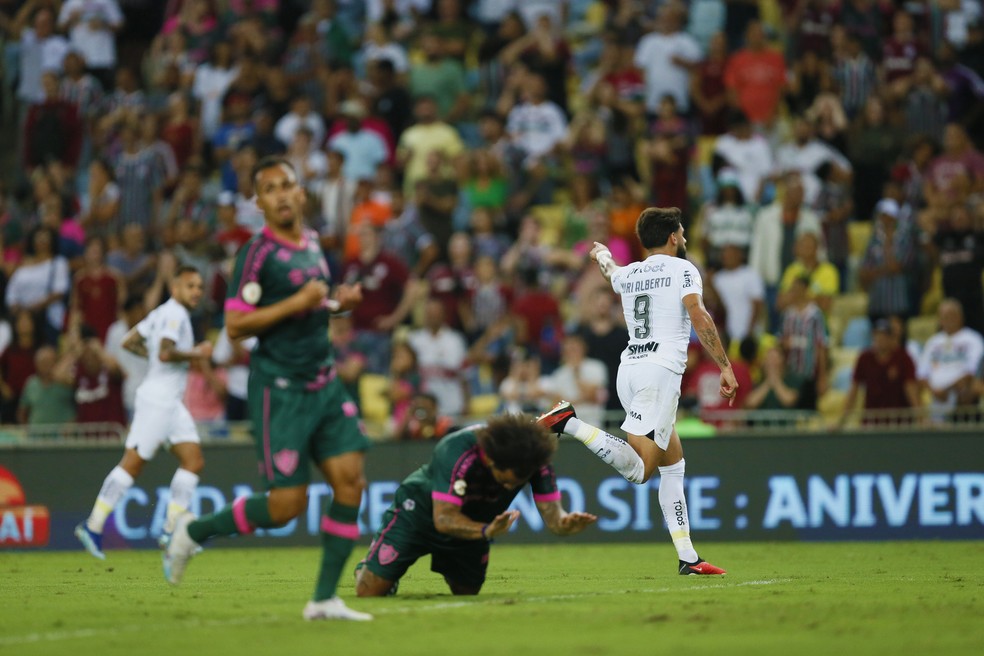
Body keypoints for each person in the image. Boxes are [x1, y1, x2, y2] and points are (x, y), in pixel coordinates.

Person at [163, 157, 372, 622]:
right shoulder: (256, 254)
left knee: (351, 483)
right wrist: (301, 300)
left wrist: (338, 304)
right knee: (285, 507)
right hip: (280, 390)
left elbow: (312, 304)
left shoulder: (313, 243)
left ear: (300, 193)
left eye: (287, 185)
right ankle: (193, 533)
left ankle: (323, 599)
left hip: (324, 381)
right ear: (258, 202)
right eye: (269, 188)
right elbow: (235, 325)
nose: (280, 194)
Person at [537, 207, 734, 576]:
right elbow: (699, 315)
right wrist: (725, 365)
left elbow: (610, 271)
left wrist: (601, 254)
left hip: (630, 371)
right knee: (641, 471)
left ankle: (688, 557)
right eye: (683, 232)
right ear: (674, 236)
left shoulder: (629, 274)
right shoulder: (684, 269)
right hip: (658, 374)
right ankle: (569, 423)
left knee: (673, 464)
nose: (686, 239)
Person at [355, 414, 597, 597]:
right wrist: (485, 531)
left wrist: (564, 524)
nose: (506, 487)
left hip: (472, 522)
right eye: (504, 480)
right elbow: (444, 519)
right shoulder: (457, 449)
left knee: (467, 591)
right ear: (490, 459)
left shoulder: (533, 460)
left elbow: (554, 517)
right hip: (419, 513)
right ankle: (370, 567)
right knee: (368, 592)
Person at [75, 266, 211, 560]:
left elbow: (129, 342)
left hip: (169, 401)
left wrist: (159, 357)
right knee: (132, 464)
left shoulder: (160, 312)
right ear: (175, 288)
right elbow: (164, 352)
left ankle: (171, 530)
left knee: (193, 460)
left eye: (199, 286)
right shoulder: (175, 314)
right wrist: (196, 353)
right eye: (190, 286)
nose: (197, 292)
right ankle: (93, 525)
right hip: (158, 399)